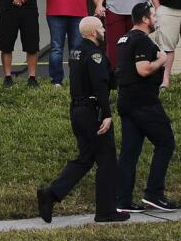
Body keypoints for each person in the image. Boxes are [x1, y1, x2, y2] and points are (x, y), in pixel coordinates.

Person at [37, 16, 126, 224]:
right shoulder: (94, 54)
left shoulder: (77, 51)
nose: (104, 30)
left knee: (86, 158)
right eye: (102, 28)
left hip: (77, 111)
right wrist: (107, 114)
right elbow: (100, 86)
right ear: (94, 32)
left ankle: (51, 194)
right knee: (107, 161)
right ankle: (106, 211)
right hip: (92, 111)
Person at [114, 3, 176, 214]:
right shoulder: (141, 39)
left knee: (129, 152)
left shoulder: (124, 38)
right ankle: (154, 194)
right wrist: (162, 60)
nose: (156, 19)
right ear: (144, 19)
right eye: (153, 16)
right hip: (144, 101)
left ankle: (122, 200)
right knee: (166, 142)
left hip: (127, 100)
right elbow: (143, 69)